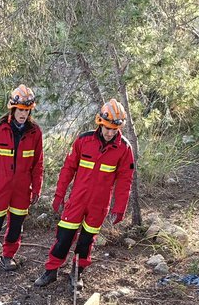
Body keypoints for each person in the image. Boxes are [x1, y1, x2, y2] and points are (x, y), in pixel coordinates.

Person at [36, 99, 135, 288]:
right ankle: (51, 271)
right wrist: (59, 195)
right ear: (99, 121)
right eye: (107, 128)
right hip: (77, 200)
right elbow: (68, 169)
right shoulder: (84, 140)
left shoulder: (124, 148)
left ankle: (77, 274)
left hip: (99, 204)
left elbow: (125, 180)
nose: (110, 132)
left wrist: (120, 207)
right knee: (64, 237)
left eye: (114, 129)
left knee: (86, 241)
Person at [0, 85, 44, 272]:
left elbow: (38, 164)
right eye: (20, 109)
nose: (23, 114)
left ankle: (8, 256)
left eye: (27, 110)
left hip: (22, 190)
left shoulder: (35, 132)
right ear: (12, 108)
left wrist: (37, 188)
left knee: (15, 228)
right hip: (1, 188)